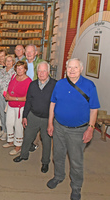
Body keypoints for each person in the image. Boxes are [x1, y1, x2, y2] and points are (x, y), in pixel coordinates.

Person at [46, 58, 100, 200]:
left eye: (75, 67)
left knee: (76, 160)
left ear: (81, 69)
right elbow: (52, 103)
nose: (72, 70)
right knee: (58, 155)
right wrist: (50, 123)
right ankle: (58, 176)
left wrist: (90, 129)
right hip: (59, 127)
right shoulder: (60, 84)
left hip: (78, 130)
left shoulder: (89, 86)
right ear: (66, 69)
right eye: (69, 67)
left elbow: (94, 109)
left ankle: (76, 187)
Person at [13, 61, 57, 174]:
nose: (41, 73)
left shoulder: (55, 85)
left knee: (46, 141)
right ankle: (23, 155)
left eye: (44, 71)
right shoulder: (32, 84)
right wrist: (25, 116)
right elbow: (28, 101)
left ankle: (45, 162)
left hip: (47, 119)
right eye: (39, 71)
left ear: (48, 72)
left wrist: (53, 121)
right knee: (27, 137)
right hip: (33, 116)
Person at [4, 61, 32, 155]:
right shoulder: (13, 76)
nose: (19, 70)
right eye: (18, 68)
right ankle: (10, 141)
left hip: (20, 107)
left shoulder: (28, 81)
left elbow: (27, 98)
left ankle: (18, 146)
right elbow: (9, 88)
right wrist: (7, 95)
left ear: (25, 69)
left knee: (18, 126)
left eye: (21, 68)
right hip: (11, 104)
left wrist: (13, 98)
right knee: (9, 123)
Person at [0, 55, 16, 141]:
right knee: (2, 113)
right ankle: (3, 129)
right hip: (0, 94)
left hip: (8, 96)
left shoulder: (14, 73)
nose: (8, 62)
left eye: (10, 61)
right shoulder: (2, 71)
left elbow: (14, 86)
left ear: (13, 62)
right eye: (7, 61)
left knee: (7, 115)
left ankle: (8, 132)